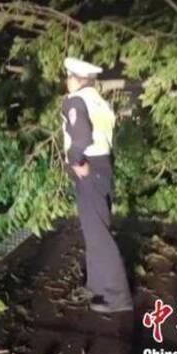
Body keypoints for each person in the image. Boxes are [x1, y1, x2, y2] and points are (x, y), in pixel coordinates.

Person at [61, 57, 133, 313]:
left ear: (75, 78)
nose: (66, 81)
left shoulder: (76, 100)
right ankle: (98, 287)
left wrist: (76, 161)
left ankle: (115, 297)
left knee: (98, 234)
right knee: (96, 230)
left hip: (89, 168)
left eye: (68, 76)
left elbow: (80, 136)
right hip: (102, 166)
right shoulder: (99, 101)